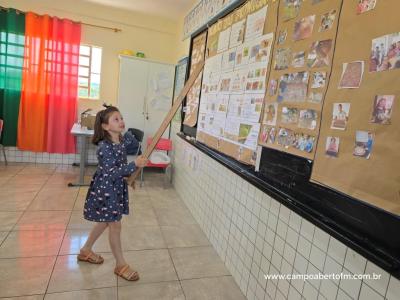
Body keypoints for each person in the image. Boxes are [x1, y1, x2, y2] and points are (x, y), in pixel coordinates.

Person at [77, 105, 148, 281]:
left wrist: (128, 176)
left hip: (116, 187)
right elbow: (111, 172)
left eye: (121, 117)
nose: (121, 121)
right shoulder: (104, 147)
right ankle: (120, 264)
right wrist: (134, 165)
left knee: (105, 222)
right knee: (114, 225)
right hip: (106, 189)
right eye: (116, 119)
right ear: (105, 126)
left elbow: (133, 146)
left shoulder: (120, 141)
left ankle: (85, 250)